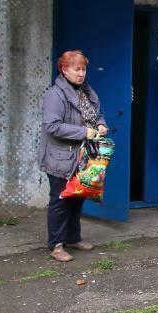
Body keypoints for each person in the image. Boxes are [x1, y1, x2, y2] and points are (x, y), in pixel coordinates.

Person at [38, 50, 108, 262]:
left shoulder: (86, 92)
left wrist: (100, 124)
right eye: (76, 69)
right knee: (60, 200)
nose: (81, 74)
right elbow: (52, 126)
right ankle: (56, 245)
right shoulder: (55, 95)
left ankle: (72, 238)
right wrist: (84, 132)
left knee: (77, 198)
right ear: (64, 70)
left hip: (83, 156)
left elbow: (97, 114)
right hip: (61, 157)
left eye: (83, 69)